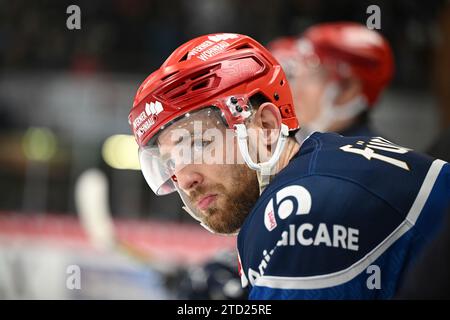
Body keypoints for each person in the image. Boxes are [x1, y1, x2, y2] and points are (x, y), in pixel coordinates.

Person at [127, 33, 450, 299]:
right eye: (171, 161)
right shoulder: (324, 166)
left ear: (266, 126)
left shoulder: (302, 207)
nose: (185, 179)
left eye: (199, 144)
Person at [268, 22, 394, 139]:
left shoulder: (366, 161)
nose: (293, 89)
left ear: (347, 89)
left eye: (313, 76)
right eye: (294, 76)